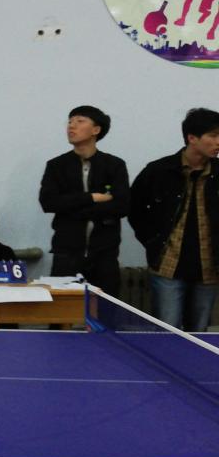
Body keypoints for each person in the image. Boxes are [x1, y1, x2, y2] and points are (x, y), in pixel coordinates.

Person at [129, 107, 219, 332]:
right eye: (213, 135)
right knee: (167, 331)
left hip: (209, 267)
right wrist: (152, 241)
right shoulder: (159, 170)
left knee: (199, 332)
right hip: (168, 265)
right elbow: (134, 208)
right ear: (192, 138)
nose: (218, 142)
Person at [38, 105, 129, 297]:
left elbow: (122, 206)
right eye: (70, 122)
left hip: (104, 253)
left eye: (80, 121)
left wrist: (73, 209)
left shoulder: (114, 165)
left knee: (105, 308)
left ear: (96, 130)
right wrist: (91, 197)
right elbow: (48, 202)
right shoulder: (56, 165)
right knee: (62, 309)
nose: (71, 126)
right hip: (66, 252)